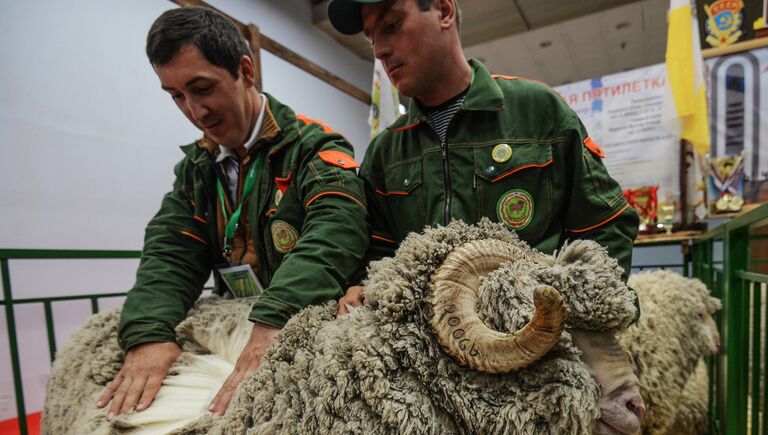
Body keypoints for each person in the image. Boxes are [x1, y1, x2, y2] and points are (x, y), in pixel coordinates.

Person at [96, 7, 368, 418]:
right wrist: (149, 334)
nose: (194, 111)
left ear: (245, 70)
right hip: (238, 333)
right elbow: (170, 254)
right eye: (176, 96)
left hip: (301, 326)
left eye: (202, 88)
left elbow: (335, 233)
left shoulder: (314, 149)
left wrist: (275, 319)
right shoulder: (196, 172)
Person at [327, 0, 639, 315]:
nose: (379, 50)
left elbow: (605, 226)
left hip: (537, 339)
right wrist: (362, 285)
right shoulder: (384, 153)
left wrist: (572, 316)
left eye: (391, 25)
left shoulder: (539, 112)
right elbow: (378, 253)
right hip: (426, 347)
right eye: (372, 39)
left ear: (443, 11)